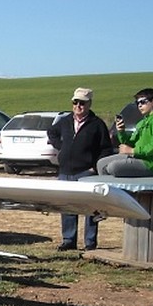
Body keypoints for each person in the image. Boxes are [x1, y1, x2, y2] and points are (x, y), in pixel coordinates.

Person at [47, 87, 113, 251]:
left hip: (86, 172)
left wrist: (95, 168)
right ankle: (69, 240)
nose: (78, 106)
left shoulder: (97, 125)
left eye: (82, 103)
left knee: (90, 208)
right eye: (75, 102)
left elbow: (106, 149)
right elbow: (51, 132)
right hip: (65, 171)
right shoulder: (65, 121)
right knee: (67, 207)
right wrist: (61, 147)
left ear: (89, 104)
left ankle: (90, 243)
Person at [97, 88, 153, 177]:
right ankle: (106, 185)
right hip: (136, 157)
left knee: (113, 167)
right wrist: (121, 131)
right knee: (101, 164)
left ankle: (116, 185)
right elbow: (130, 143)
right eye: (137, 103)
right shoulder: (141, 122)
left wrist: (132, 151)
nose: (139, 105)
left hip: (150, 164)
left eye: (142, 102)